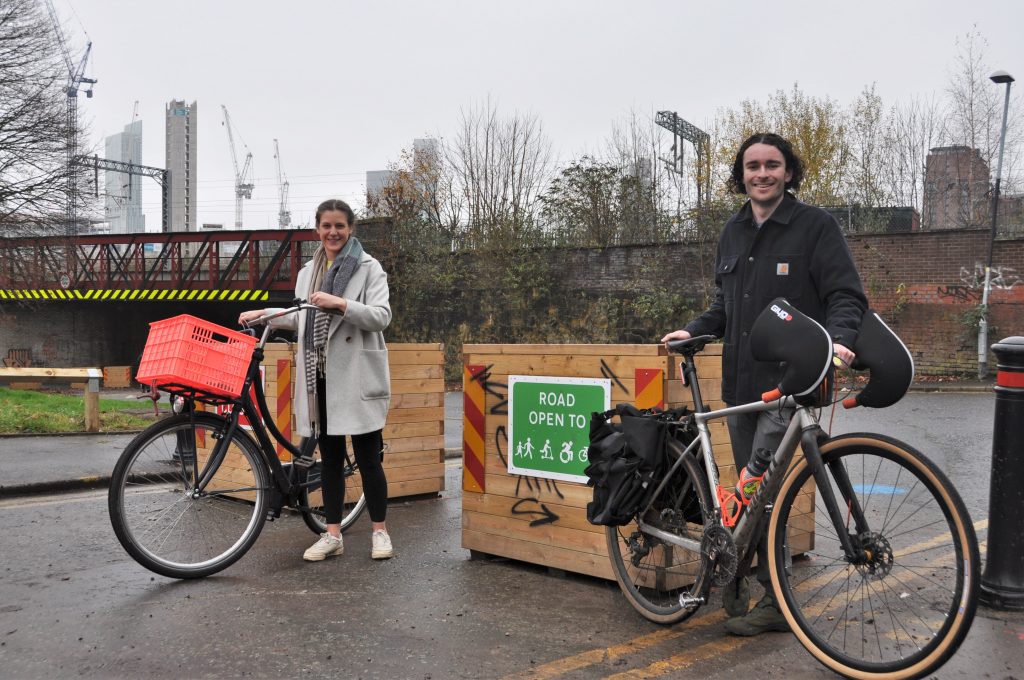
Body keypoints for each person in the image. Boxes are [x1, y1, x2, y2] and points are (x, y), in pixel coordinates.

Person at [661, 133, 867, 636]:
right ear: (742, 174)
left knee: (767, 497)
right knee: (749, 496)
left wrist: (838, 342)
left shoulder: (815, 227)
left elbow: (845, 295)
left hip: (790, 385)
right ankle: (734, 578)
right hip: (743, 388)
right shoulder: (732, 231)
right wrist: (694, 330)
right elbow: (724, 308)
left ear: (789, 172)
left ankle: (774, 600)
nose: (762, 173)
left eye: (772, 165)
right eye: (753, 166)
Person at [239, 198, 394, 562]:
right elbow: (302, 317)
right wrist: (267, 314)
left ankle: (380, 532)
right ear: (318, 229)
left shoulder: (370, 268)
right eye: (327, 226)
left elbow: (381, 316)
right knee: (331, 458)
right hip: (320, 376)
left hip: (355, 374)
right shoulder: (309, 271)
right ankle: (333, 534)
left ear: (350, 229)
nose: (333, 232)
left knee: (370, 458)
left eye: (340, 226)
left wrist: (340, 304)